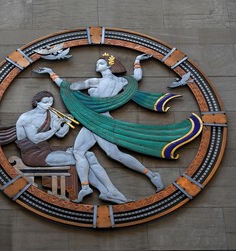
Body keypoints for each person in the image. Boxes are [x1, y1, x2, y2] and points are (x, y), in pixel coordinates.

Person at [35, 53, 165, 203]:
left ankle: (152, 175)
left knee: (113, 154)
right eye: (97, 63)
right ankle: (85, 187)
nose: (97, 65)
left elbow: (69, 87)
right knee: (81, 151)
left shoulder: (96, 81)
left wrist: (52, 73)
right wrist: (137, 61)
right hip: (95, 121)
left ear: (110, 66)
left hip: (99, 121)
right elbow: (137, 77)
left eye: (100, 63)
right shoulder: (123, 81)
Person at [15, 90, 129, 204]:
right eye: (45, 102)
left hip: (47, 149)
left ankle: (110, 190)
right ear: (36, 102)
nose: (49, 105)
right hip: (33, 154)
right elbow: (35, 138)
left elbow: (60, 134)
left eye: (51, 102)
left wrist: (66, 123)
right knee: (79, 159)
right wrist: (54, 128)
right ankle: (94, 189)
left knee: (89, 155)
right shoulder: (26, 118)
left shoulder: (51, 113)